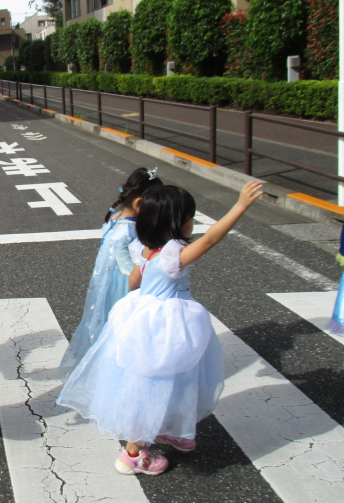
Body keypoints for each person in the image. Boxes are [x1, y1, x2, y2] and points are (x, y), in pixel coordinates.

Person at [57, 181, 263, 476]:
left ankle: (174, 428)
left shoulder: (144, 247)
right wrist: (240, 205)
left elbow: (134, 280)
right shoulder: (172, 254)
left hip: (142, 313)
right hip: (166, 322)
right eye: (190, 218)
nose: (193, 223)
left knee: (169, 377)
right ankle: (132, 454)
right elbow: (210, 240)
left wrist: (131, 304)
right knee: (154, 383)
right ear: (175, 224)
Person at [59, 167, 162, 381]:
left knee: (107, 325)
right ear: (140, 204)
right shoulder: (129, 231)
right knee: (125, 330)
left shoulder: (116, 217)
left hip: (107, 283)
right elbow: (130, 269)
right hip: (122, 287)